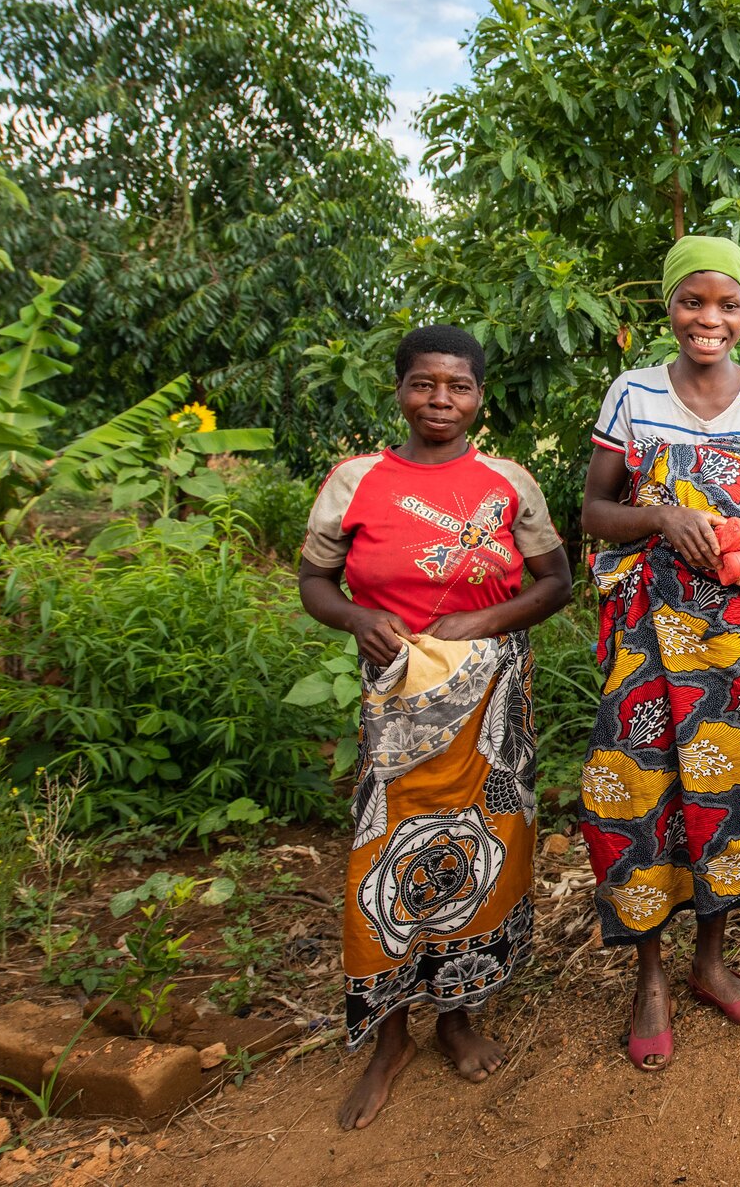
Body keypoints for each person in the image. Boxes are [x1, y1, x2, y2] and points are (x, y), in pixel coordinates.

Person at [579, 234, 740, 1072]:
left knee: (729, 786)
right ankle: (650, 976)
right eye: (693, 300)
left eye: (726, 303)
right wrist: (660, 517)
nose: (709, 318)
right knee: (646, 793)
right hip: (649, 630)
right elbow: (593, 508)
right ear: (669, 306)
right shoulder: (632, 393)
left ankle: (709, 961)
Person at [298, 324, 574, 1131]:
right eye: (425, 384)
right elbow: (314, 581)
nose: (441, 400)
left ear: (479, 396)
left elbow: (554, 581)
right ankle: (391, 1037)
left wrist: (480, 621)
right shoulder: (355, 480)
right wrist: (356, 615)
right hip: (393, 701)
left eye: (458, 386)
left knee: (484, 850)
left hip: (490, 702)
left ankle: (459, 1016)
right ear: (400, 390)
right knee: (379, 857)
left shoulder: (507, 483)